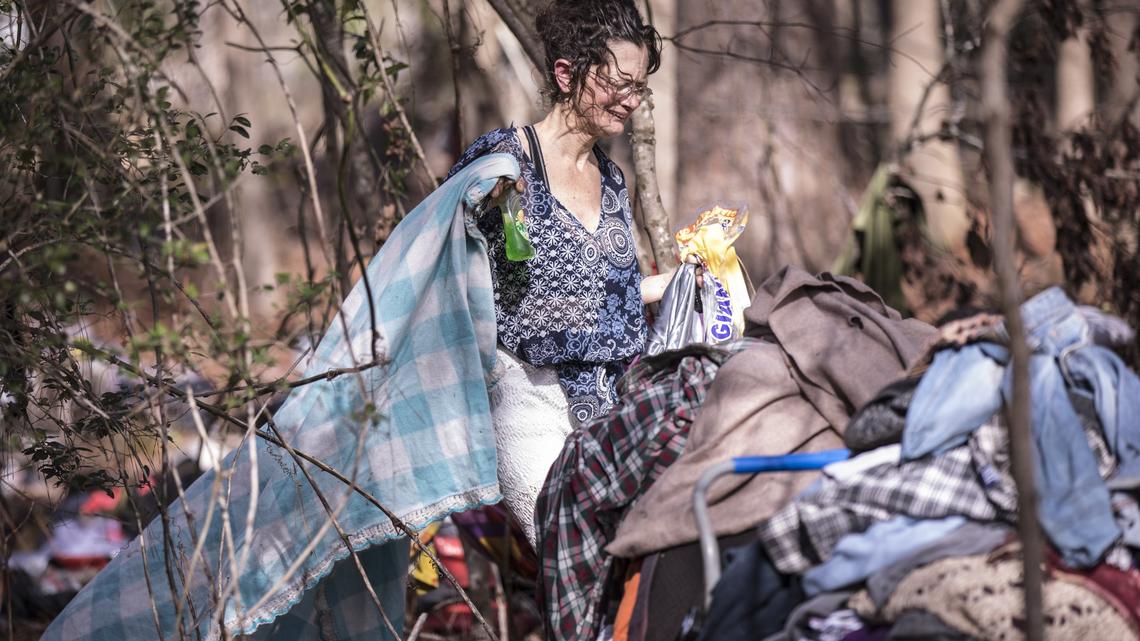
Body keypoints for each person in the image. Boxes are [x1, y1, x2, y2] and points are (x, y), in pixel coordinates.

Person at [446, 0, 674, 546]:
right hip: (528, 398)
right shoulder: (506, 160)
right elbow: (446, 263)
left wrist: (670, 287)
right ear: (566, 74)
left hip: (617, 404)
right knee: (566, 549)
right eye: (617, 81)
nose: (630, 98)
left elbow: (600, 292)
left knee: (638, 561)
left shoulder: (614, 180)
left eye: (639, 86)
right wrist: (490, 205)